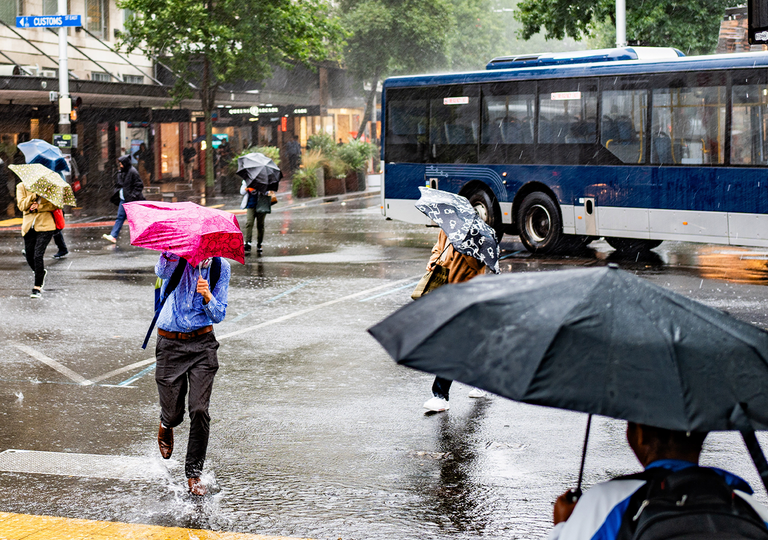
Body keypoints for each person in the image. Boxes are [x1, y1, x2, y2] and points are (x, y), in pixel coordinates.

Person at [549, 422, 768, 539]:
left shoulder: (606, 502)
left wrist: (563, 526)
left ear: (640, 433)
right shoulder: (751, 507)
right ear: (703, 435)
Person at [154, 251, 231, 496]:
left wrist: (208, 295)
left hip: (203, 345)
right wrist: (169, 251)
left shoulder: (221, 268)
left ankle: (194, 474)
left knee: (199, 409)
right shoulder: (174, 260)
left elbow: (219, 315)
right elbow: (161, 272)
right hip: (170, 344)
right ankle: (167, 422)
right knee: (174, 413)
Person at [422, 230, 487, 412]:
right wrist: (434, 260)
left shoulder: (475, 234)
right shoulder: (445, 228)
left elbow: (476, 264)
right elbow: (438, 248)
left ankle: (440, 395)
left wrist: (463, 243)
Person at [16, 182, 57, 298]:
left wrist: (40, 207)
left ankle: (37, 286)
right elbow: (21, 206)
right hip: (29, 227)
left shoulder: (49, 186)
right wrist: (34, 195)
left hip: (46, 226)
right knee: (29, 255)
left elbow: (55, 205)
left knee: (38, 255)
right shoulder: (21, 186)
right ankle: (41, 272)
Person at [103, 155, 145, 244]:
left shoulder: (133, 172)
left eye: (121, 163)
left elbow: (139, 185)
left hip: (131, 200)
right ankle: (113, 236)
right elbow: (119, 184)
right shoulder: (122, 172)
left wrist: (133, 196)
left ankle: (141, 236)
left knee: (134, 219)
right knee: (120, 217)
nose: (120, 165)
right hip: (124, 199)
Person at [240, 179, 274, 255]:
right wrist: (247, 188)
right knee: (249, 223)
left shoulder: (265, 180)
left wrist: (261, 188)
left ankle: (259, 244)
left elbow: (269, 192)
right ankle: (248, 243)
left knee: (260, 225)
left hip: (261, 205)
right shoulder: (247, 180)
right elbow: (242, 192)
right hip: (251, 205)